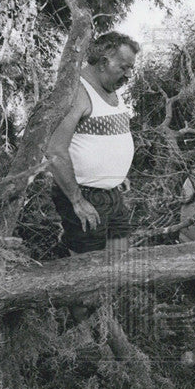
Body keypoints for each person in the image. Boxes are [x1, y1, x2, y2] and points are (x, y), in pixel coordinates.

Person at [48, 31, 140, 262]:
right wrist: (77, 201)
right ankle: (80, 297)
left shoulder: (112, 89)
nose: (129, 75)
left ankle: (111, 296)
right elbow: (55, 151)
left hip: (113, 194)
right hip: (85, 195)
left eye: (131, 68)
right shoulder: (75, 92)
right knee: (87, 265)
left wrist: (116, 174)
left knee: (119, 254)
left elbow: (106, 134)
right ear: (102, 63)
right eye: (123, 67)